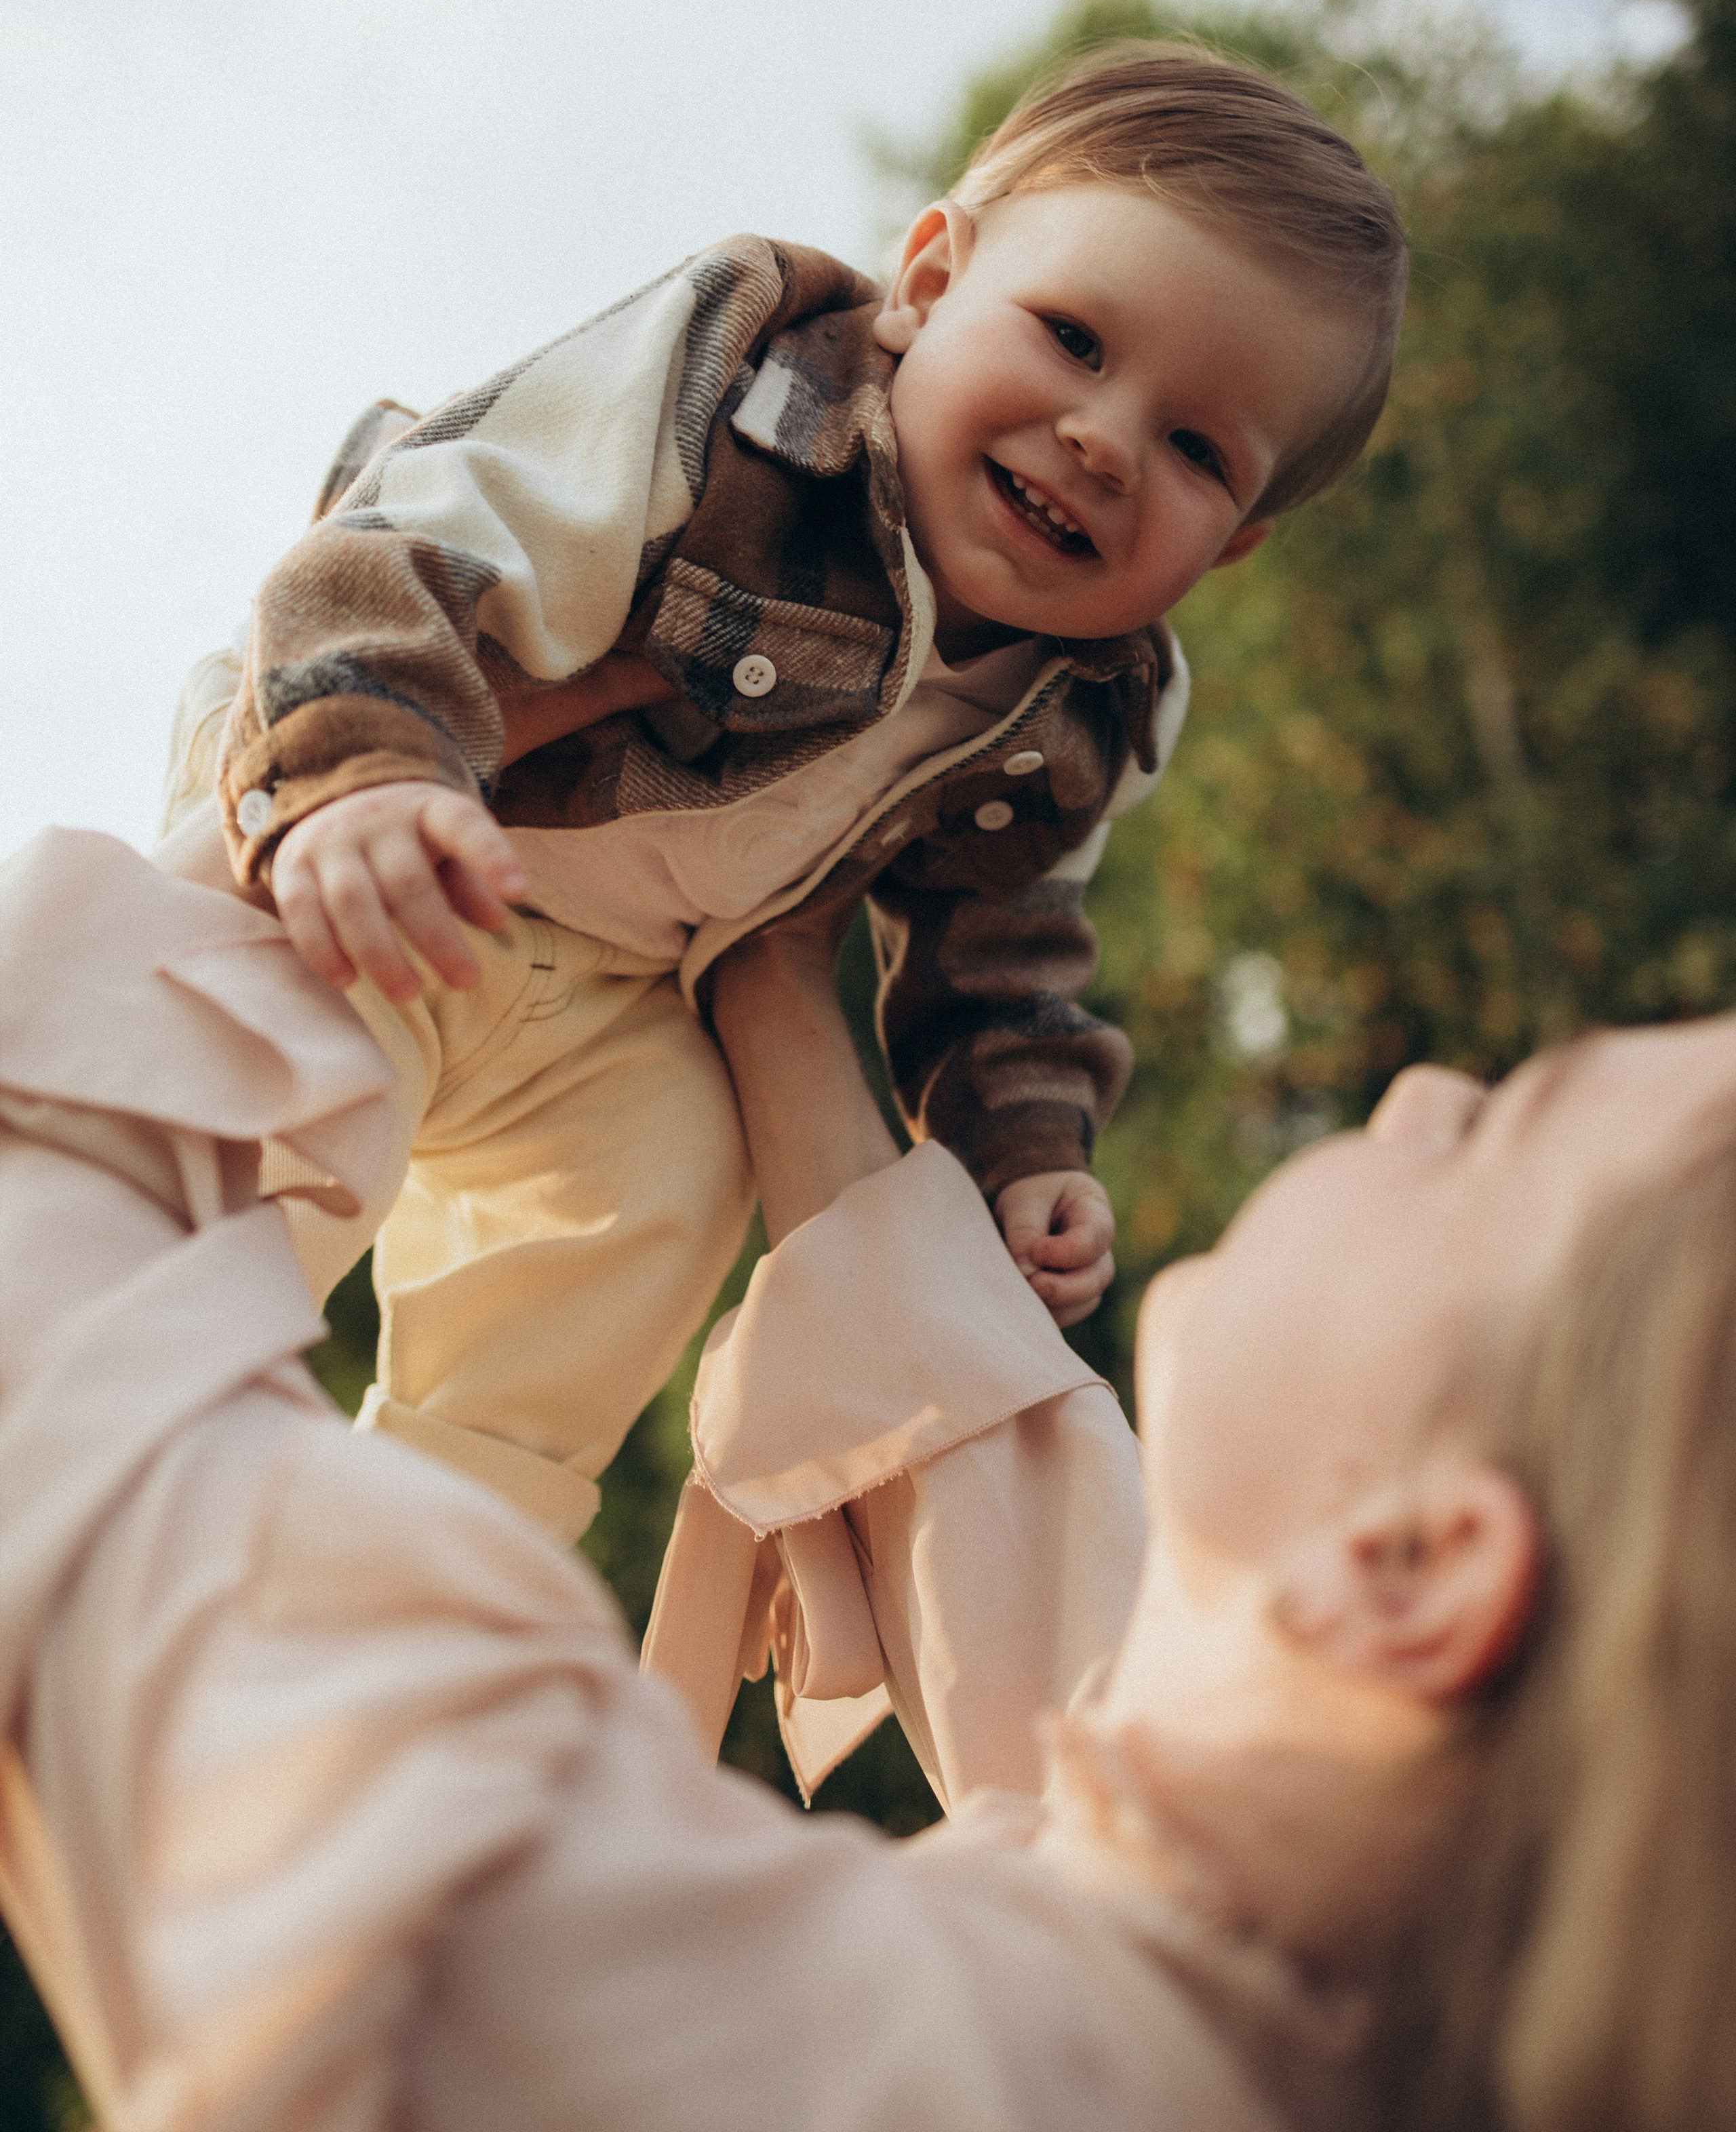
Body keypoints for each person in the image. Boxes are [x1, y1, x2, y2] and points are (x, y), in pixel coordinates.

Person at [5, 833, 1734, 2132]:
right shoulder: (1299, 1988)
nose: (1426, 1085)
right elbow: (988, 1469)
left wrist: (275, 862)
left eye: (1499, 1121)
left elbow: (86, 1421)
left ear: (1416, 1567)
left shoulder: (799, 2070)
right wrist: (774, 962)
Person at [166, 41, 1406, 1540]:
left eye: (1196, 446)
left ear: (1233, 546)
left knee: (667, 1191)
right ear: (932, 282)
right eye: (1074, 338)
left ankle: (417, 1554)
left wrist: (1024, 1157)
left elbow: (999, 954)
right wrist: (359, 768)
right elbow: (426, 530)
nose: (1102, 440)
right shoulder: (743, 386)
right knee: (283, 1065)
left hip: (628, 981)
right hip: (411, 785)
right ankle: (137, 1394)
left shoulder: (1092, 707)